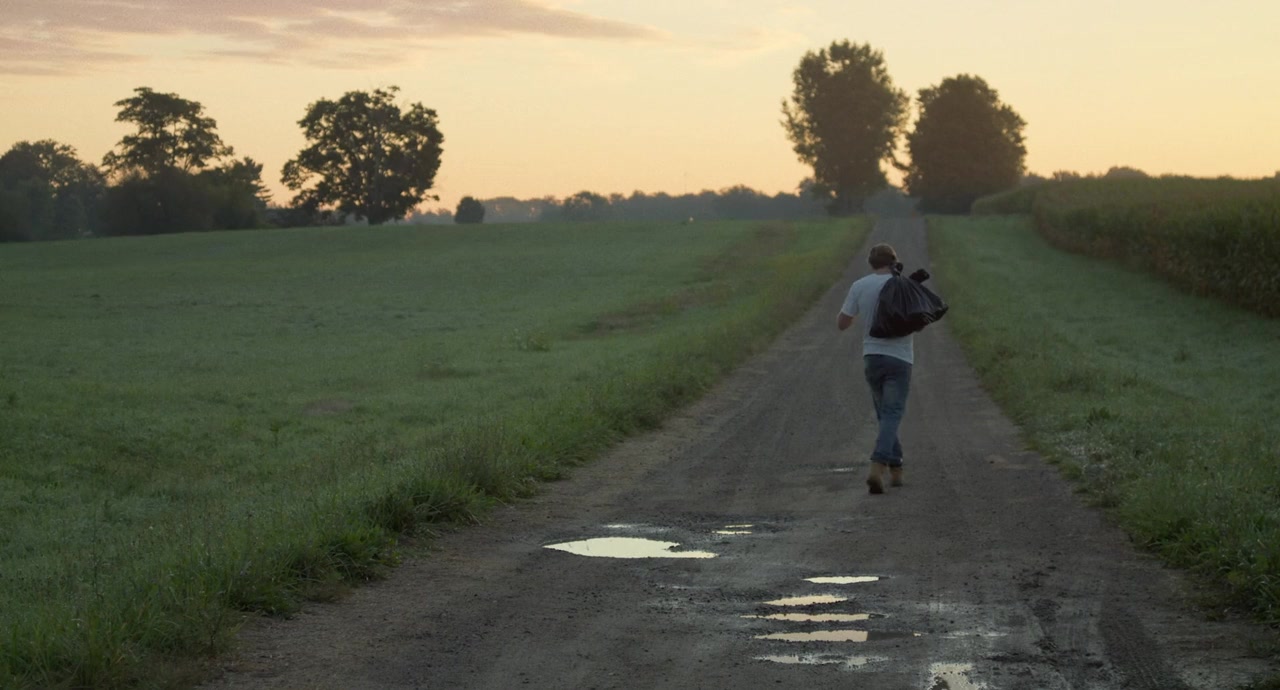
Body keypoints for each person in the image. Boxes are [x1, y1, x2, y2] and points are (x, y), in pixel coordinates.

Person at [837, 243, 914, 494]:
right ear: (893, 261)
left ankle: (896, 468)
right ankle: (878, 465)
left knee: (885, 414)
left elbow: (842, 323)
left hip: (872, 357)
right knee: (892, 413)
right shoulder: (903, 285)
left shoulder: (860, 285)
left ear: (871, 263)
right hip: (900, 357)